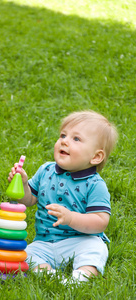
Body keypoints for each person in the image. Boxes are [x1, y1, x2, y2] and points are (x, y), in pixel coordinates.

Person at [8, 110, 118, 284]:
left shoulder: (95, 185)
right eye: (63, 135)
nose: (64, 141)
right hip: (45, 242)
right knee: (25, 255)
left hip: (81, 240)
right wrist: (22, 185)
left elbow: (100, 222)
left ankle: (81, 277)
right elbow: (28, 201)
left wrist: (71, 218)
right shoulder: (46, 170)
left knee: (96, 248)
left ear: (96, 157)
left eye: (76, 139)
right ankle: (52, 277)